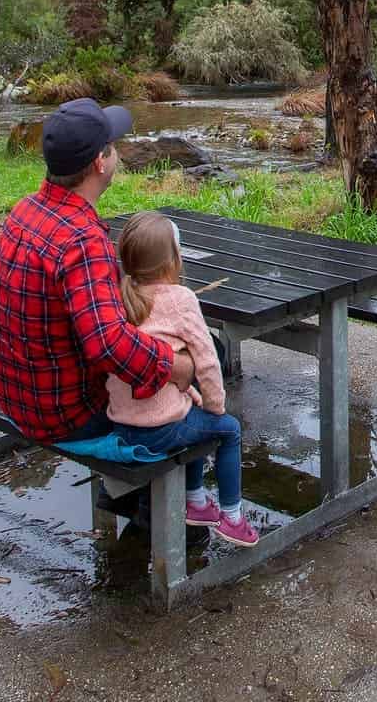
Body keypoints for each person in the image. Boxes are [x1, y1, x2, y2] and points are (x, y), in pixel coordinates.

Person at [0, 98, 196, 446]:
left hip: (16, 395)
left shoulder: (24, 210)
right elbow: (107, 344)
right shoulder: (82, 240)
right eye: (112, 147)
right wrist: (180, 368)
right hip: (65, 413)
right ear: (100, 162)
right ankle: (145, 494)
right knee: (207, 354)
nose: (116, 154)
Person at [107, 211, 258, 548]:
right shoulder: (180, 299)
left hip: (121, 423)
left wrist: (193, 395)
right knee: (227, 430)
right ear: (174, 259)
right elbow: (206, 361)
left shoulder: (118, 297)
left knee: (191, 410)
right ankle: (232, 518)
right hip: (158, 429)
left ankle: (197, 500)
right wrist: (217, 405)